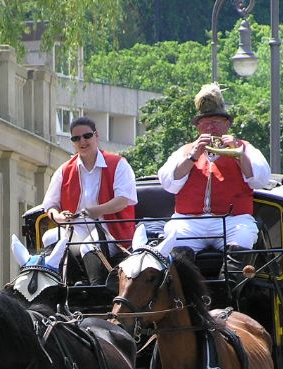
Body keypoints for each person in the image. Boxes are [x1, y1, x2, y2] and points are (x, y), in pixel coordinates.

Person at [157, 83, 271, 254]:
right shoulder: (186, 150)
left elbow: (260, 180)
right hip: (189, 221)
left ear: (227, 124)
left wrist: (238, 154)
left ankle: (231, 280)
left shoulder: (245, 148)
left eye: (216, 122)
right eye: (204, 123)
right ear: (198, 127)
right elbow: (168, 183)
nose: (210, 128)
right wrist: (193, 156)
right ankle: (187, 279)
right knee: (175, 242)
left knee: (243, 237)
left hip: (232, 221)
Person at [39, 116, 137, 284]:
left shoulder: (118, 164)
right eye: (76, 138)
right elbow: (50, 206)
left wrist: (97, 210)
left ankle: (96, 289)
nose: (82, 141)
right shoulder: (65, 170)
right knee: (50, 238)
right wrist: (59, 217)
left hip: (110, 228)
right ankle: (71, 284)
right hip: (77, 227)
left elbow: (123, 200)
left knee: (89, 245)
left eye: (87, 136)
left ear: (96, 136)